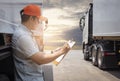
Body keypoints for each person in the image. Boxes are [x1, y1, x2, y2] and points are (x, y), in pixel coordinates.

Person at [12, 4, 70, 81]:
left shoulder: (26, 33)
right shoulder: (22, 36)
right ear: (32, 19)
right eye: (39, 20)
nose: (39, 23)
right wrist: (62, 52)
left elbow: (37, 53)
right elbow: (41, 60)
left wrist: (53, 52)